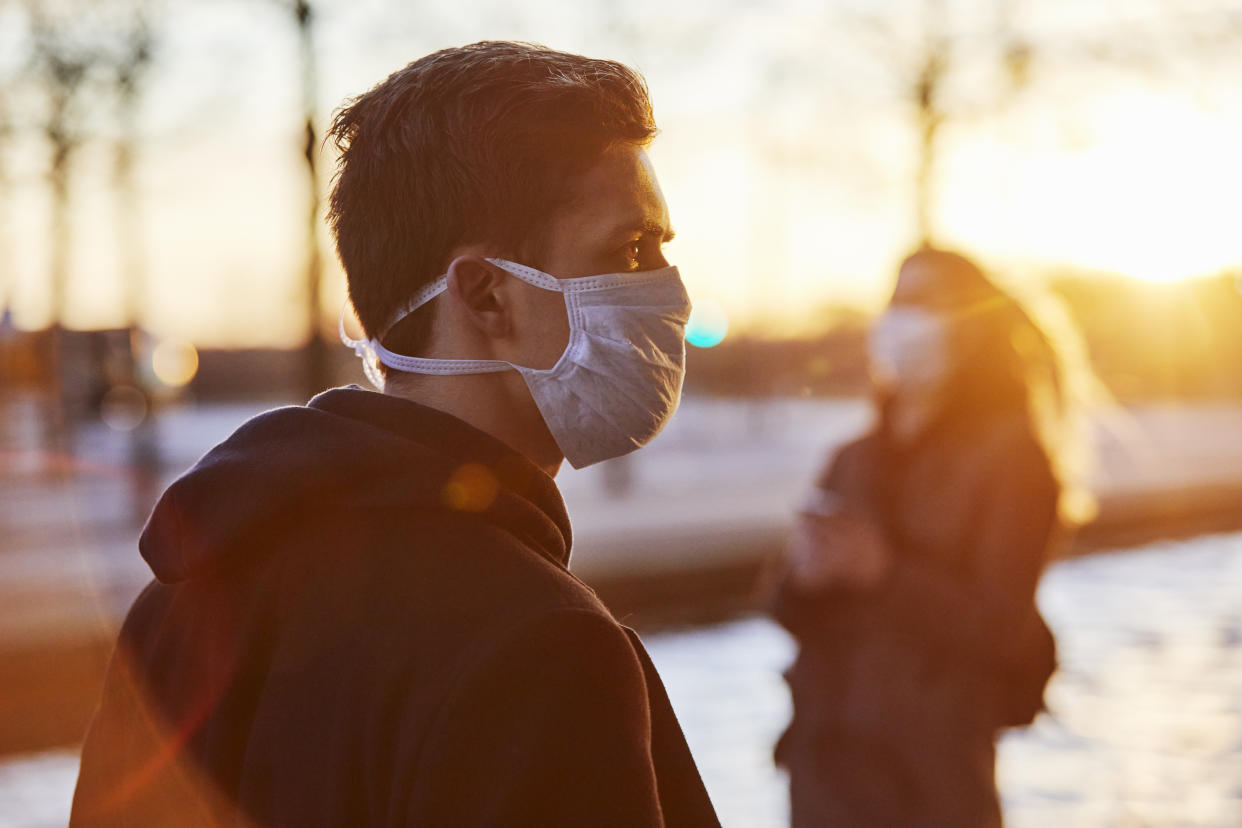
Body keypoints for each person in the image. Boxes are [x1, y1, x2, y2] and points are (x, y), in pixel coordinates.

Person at [72, 41, 720, 827]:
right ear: (486, 298)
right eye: (630, 249)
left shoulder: (179, 607)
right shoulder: (543, 651)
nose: (670, 289)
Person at [772, 248, 1094, 827]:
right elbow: (786, 608)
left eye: (926, 302)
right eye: (897, 299)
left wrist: (882, 571)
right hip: (824, 781)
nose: (903, 318)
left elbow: (999, 628)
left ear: (972, 326)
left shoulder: (1014, 464)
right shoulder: (851, 459)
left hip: (931, 787)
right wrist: (805, 579)